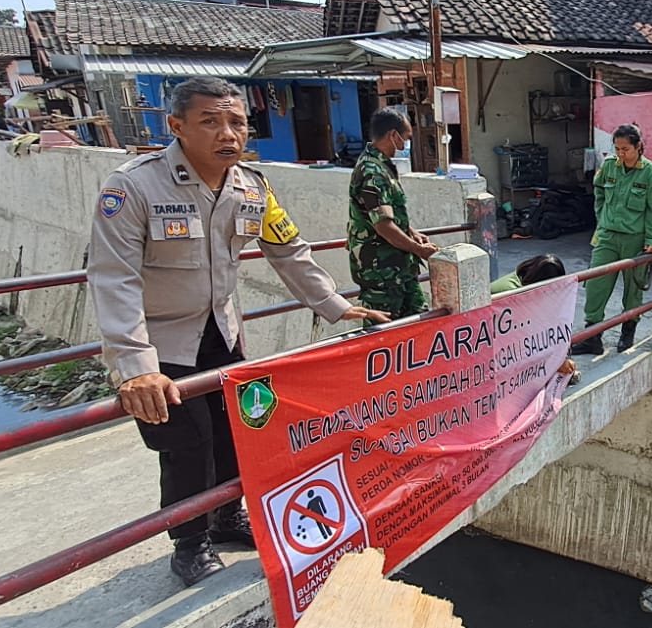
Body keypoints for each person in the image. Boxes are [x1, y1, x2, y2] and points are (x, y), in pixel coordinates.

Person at [88, 77, 388, 587]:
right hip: (160, 343)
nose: (228, 133)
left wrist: (335, 305)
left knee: (234, 434)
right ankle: (189, 543)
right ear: (177, 127)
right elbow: (113, 278)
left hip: (223, 333)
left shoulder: (252, 185)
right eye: (210, 122)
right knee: (187, 444)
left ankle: (227, 519)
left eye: (237, 122)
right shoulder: (134, 186)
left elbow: (288, 250)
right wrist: (136, 369)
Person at [572, 124, 652, 355]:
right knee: (595, 284)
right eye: (617, 148)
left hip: (636, 239)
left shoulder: (651, 173)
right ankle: (593, 337)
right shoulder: (610, 166)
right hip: (608, 235)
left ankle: (627, 333)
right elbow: (599, 191)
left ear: (638, 147)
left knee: (633, 289)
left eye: (625, 149)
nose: (621, 154)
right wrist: (602, 217)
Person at [348, 107, 437, 325]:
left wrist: (412, 233)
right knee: (383, 336)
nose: (406, 143)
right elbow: (383, 226)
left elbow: (390, 215)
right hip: (381, 273)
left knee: (420, 324)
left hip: (400, 269)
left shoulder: (382, 166)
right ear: (392, 135)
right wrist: (419, 250)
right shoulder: (372, 171)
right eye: (405, 137)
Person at [490, 254, 578, 381]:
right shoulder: (514, 293)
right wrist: (556, 362)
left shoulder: (525, 279)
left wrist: (562, 357)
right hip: (491, 342)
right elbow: (528, 337)